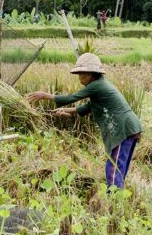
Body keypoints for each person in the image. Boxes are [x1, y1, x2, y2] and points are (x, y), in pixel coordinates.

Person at [27, 53, 142, 189]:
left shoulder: (96, 85)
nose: (80, 78)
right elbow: (87, 107)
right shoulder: (99, 86)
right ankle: (117, 196)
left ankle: (114, 199)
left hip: (123, 129)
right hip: (129, 128)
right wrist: (65, 111)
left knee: (114, 167)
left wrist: (45, 95)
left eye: (82, 74)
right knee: (118, 166)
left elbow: (71, 98)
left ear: (91, 74)